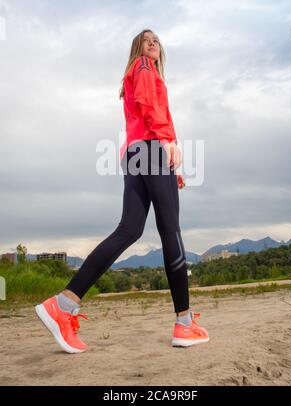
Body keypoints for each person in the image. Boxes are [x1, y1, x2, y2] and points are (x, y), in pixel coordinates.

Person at [35, 29, 210, 353]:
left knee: (129, 229)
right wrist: (167, 144)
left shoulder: (140, 72)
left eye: (156, 39)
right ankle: (184, 324)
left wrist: (167, 159)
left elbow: (145, 113)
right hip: (152, 149)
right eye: (146, 40)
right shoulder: (143, 67)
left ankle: (64, 303)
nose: (153, 42)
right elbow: (148, 107)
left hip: (135, 154)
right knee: (171, 231)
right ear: (138, 49)